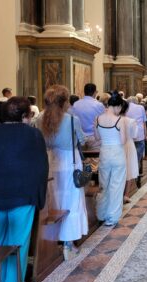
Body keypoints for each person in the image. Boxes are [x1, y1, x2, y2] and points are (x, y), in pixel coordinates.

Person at [0, 97, 48, 282]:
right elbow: (41, 167)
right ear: (24, 116)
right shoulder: (33, 134)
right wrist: (40, 196)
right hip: (22, 193)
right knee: (18, 241)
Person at [37, 85, 88, 260]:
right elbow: (82, 140)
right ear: (65, 102)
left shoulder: (40, 119)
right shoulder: (72, 119)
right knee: (71, 201)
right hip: (70, 161)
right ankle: (68, 244)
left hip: (49, 161)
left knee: (54, 200)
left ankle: (52, 240)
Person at [94, 93, 127, 226]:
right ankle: (112, 217)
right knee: (117, 186)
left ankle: (101, 213)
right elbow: (123, 140)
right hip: (118, 153)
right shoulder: (120, 120)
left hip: (104, 153)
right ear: (118, 106)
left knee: (104, 185)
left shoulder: (97, 118)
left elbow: (96, 137)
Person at [72, 83, 105, 151]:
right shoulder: (99, 105)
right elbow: (103, 121)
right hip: (95, 138)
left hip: (80, 137)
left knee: (82, 160)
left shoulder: (76, 104)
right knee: (95, 160)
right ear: (95, 92)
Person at [119, 100, 139, 203]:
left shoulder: (114, 120)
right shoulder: (131, 121)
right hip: (129, 145)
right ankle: (126, 195)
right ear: (127, 109)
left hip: (117, 146)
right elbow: (135, 136)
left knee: (119, 169)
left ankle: (118, 194)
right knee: (129, 168)